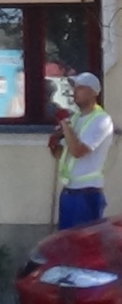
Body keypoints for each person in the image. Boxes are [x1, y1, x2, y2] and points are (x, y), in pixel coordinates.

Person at [49, 72, 114, 229]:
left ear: (93, 92)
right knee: (66, 243)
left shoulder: (101, 120)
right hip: (69, 192)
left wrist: (65, 125)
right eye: (74, 87)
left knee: (83, 245)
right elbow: (61, 154)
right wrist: (54, 142)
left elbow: (78, 151)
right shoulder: (75, 118)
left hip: (87, 194)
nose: (74, 91)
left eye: (80, 88)